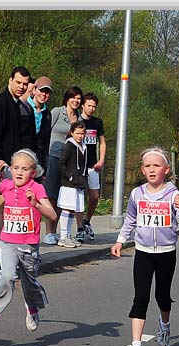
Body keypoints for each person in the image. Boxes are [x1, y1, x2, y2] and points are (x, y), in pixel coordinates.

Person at [111, 147, 179, 346]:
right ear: (142, 170)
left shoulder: (174, 195)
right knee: (140, 296)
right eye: (147, 166)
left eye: (156, 166)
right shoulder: (137, 194)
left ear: (166, 170)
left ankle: (165, 325)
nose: (152, 170)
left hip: (166, 253)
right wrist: (120, 240)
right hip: (143, 251)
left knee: (162, 295)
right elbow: (131, 219)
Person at [0, 149, 56, 332]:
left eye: (24, 169)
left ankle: (32, 308)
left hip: (28, 246)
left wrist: (36, 204)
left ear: (34, 172)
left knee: (29, 284)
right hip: (7, 242)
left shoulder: (37, 188)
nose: (19, 172)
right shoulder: (7, 184)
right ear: (10, 169)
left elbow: (52, 215)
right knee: (6, 276)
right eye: (15, 168)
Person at [0, 66, 35, 269]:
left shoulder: (18, 105)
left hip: (11, 165)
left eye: (25, 83)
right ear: (10, 80)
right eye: (18, 82)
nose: (21, 87)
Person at [43, 86, 83, 244]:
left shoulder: (79, 118)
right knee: (51, 194)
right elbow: (45, 132)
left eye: (79, 98)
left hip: (69, 161)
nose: (76, 101)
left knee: (63, 197)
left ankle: (61, 231)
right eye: (73, 97)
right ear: (67, 98)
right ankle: (49, 232)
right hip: (53, 156)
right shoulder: (57, 112)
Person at [75, 92, 106, 242]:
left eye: (94, 106)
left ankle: (87, 220)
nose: (92, 109)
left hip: (93, 165)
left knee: (94, 196)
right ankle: (79, 227)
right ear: (83, 105)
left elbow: (103, 142)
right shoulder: (77, 120)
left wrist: (101, 160)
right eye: (89, 105)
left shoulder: (97, 122)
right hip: (79, 165)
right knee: (79, 197)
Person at [56, 121, 88, 248]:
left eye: (82, 133)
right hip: (69, 183)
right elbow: (61, 163)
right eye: (78, 133)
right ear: (72, 133)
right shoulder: (69, 146)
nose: (80, 136)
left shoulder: (83, 146)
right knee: (66, 208)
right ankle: (63, 236)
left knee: (72, 210)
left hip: (78, 183)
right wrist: (69, 176)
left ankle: (68, 235)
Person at [26, 76, 53, 177]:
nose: (44, 94)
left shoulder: (47, 114)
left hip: (38, 161)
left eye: (47, 92)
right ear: (34, 90)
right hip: (22, 158)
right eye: (41, 90)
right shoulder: (22, 107)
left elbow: (46, 142)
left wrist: (44, 168)